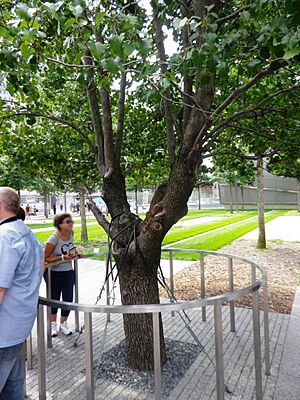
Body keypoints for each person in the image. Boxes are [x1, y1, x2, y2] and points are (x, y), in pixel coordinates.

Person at [0, 187, 44, 400]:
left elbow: (0, 288)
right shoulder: (27, 234)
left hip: (4, 331)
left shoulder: (4, 236)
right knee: (14, 388)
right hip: (19, 326)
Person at [44, 214, 82, 337]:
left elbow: (70, 249)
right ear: (60, 224)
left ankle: (63, 323)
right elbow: (45, 258)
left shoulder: (71, 234)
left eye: (71, 221)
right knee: (54, 299)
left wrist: (76, 253)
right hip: (54, 273)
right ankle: (53, 324)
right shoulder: (53, 238)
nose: (70, 224)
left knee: (68, 298)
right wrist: (62, 257)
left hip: (68, 271)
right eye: (67, 222)